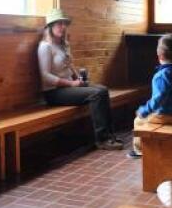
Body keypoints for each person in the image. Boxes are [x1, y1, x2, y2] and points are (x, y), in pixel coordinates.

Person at [37, 8, 123, 150]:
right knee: (96, 94)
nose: (63, 27)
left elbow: (69, 66)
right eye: (58, 24)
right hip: (54, 92)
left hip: (68, 87)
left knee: (103, 89)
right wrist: (71, 84)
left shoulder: (63, 45)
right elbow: (45, 77)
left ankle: (109, 135)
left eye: (64, 24)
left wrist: (78, 79)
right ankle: (102, 139)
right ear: (50, 26)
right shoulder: (45, 47)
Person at [129, 34, 172, 158]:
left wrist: (144, 111)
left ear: (159, 54)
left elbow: (158, 99)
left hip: (164, 116)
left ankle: (139, 151)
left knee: (138, 120)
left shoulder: (162, 75)